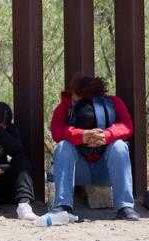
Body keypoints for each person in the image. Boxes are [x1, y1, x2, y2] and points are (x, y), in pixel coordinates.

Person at [50, 75, 140, 220]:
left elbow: (126, 126)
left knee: (119, 146)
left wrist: (106, 135)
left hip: (105, 169)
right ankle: (63, 206)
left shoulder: (114, 102)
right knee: (63, 146)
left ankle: (125, 207)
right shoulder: (65, 105)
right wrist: (81, 135)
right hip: (79, 169)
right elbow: (57, 131)